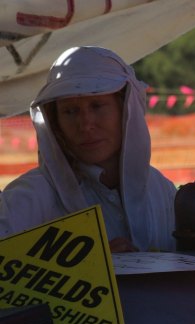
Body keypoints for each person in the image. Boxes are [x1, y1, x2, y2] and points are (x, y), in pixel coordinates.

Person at [0, 46, 177, 253]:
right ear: (55, 122)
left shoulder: (162, 190)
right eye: (70, 111)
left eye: (97, 105)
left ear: (126, 109)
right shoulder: (30, 197)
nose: (85, 124)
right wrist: (83, 267)